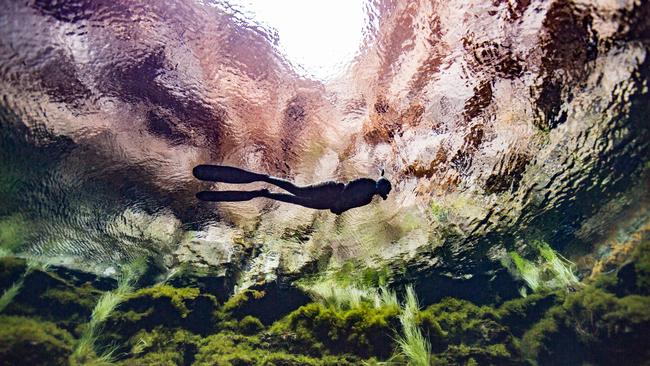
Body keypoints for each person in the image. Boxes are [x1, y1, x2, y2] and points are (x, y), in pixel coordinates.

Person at [193, 164, 392, 215]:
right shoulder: (367, 187)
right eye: (382, 192)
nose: (379, 195)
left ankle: (265, 191)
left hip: (328, 199)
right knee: (298, 193)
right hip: (330, 195)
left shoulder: (368, 193)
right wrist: (339, 207)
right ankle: (265, 182)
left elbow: (345, 204)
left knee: (296, 197)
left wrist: (339, 207)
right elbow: (347, 196)